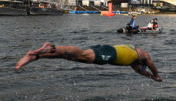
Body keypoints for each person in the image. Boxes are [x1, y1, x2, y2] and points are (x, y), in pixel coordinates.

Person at [16, 42, 162, 82]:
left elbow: (143, 71)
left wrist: (152, 77)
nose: (140, 67)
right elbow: (150, 62)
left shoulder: (133, 63)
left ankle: (36, 57)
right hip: (110, 53)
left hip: (107, 53)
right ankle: (51, 47)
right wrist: (156, 74)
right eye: (141, 65)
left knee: (71, 57)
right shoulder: (140, 54)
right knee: (82, 54)